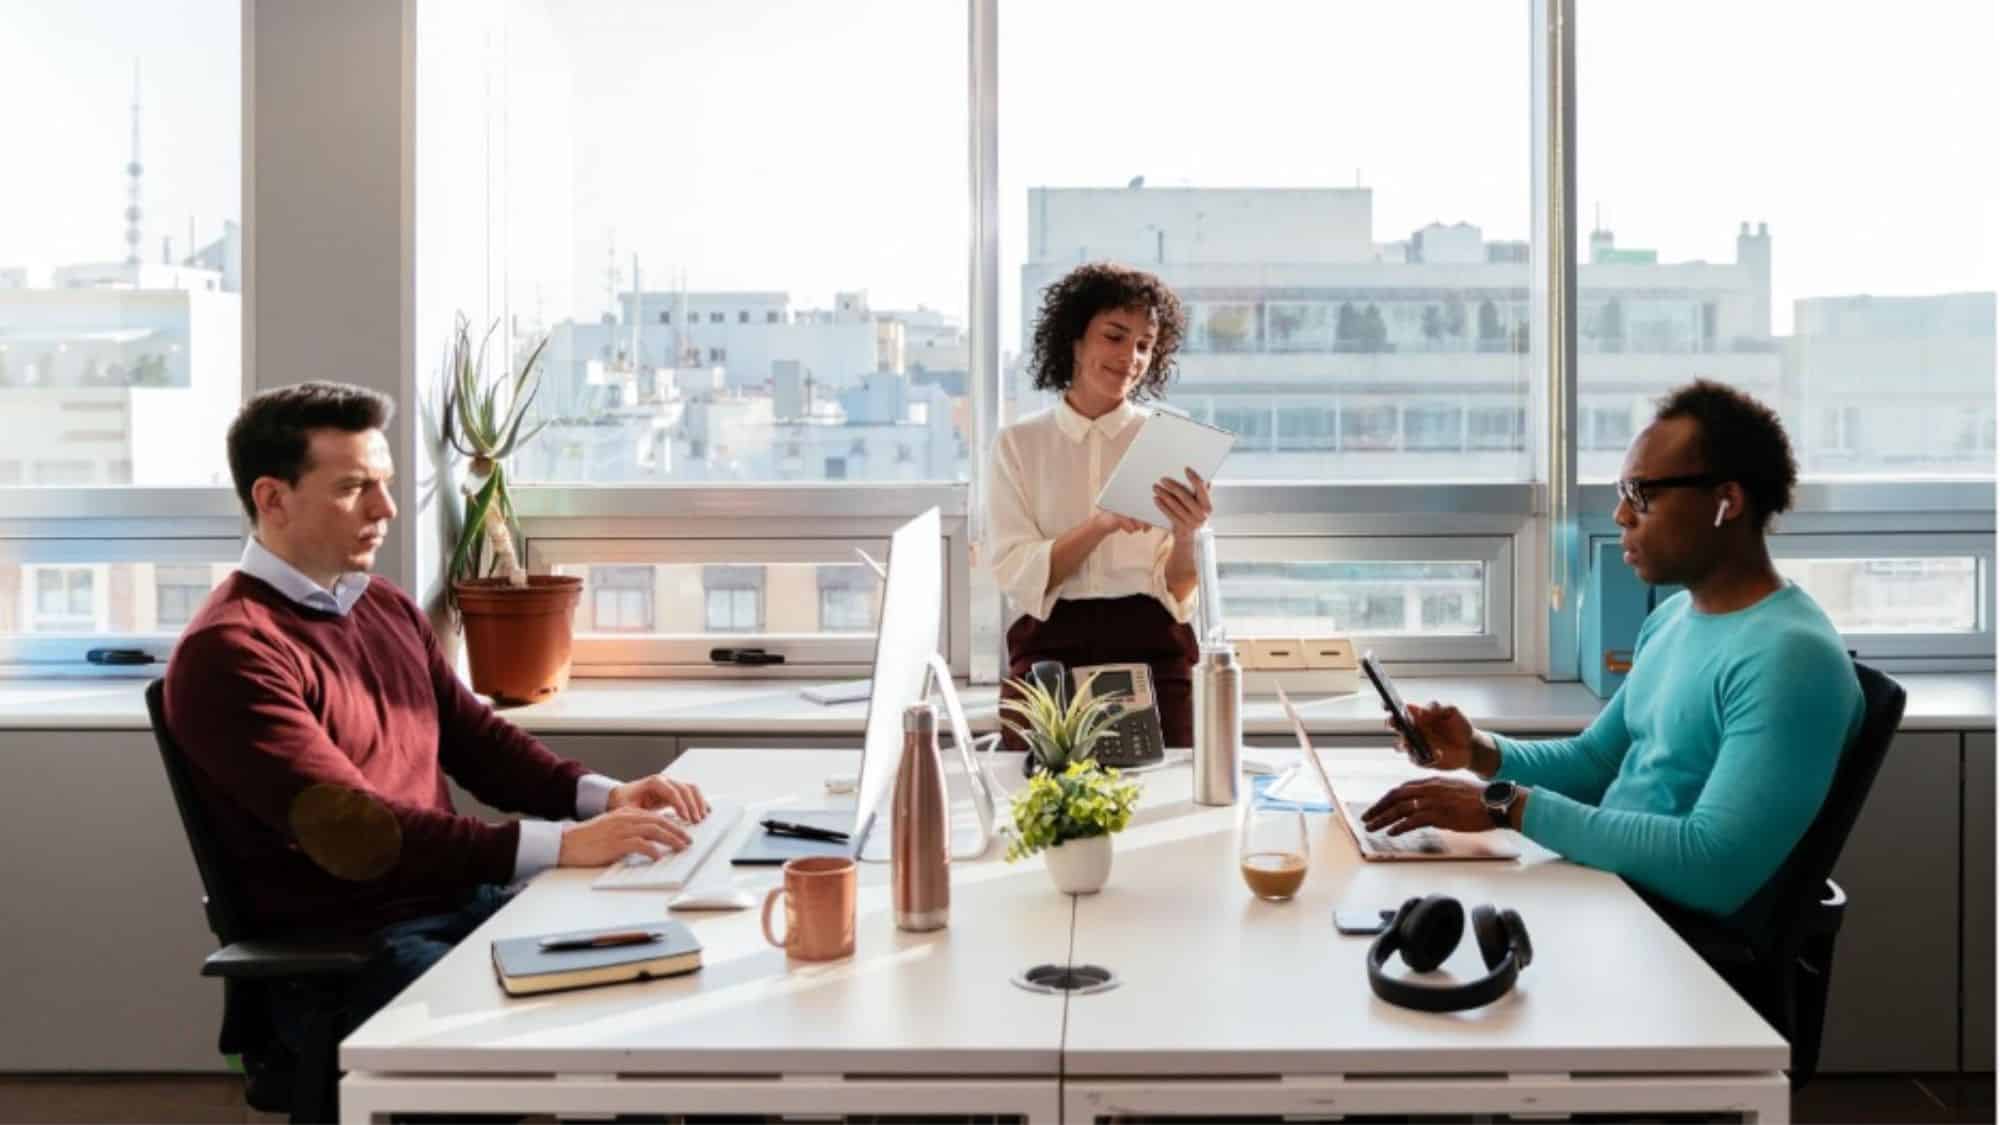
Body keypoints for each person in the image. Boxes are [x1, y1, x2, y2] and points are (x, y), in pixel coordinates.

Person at [164, 381, 709, 1055]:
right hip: (363, 948)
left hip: (457, 903)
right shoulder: (231, 651)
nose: (386, 508)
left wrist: (604, 796)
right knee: (612, 1014)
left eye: (386, 483)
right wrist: (563, 846)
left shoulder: (380, 605)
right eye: (352, 488)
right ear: (272, 498)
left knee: (665, 973)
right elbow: (362, 835)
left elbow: (478, 742)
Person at [1362, 380, 1864, 924]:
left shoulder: (1792, 660)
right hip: (1607, 895)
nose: (1621, 515)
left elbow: (1714, 867)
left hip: (1667, 941)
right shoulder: (1673, 618)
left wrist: (1507, 806)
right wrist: (1480, 752)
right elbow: (1597, 762)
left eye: (1641, 493)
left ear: (1728, 501)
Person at [987, 262, 1213, 750]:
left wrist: (1187, 536)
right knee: (1036, 798)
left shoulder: (1165, 442)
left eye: (1144, 346)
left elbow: (1177, 590)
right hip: (1049, 644)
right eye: (1114, 336)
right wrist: (1101, 524)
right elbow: (1016, 572)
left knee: (1165, 794)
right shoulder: (1018, 444)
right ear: (1075, 338)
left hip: (1153, 643)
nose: (1129, 357)